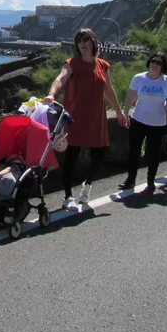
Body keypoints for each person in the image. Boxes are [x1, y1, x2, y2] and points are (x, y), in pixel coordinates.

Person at [44, 28, 124, 208]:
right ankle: (67, 197)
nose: (83, 43)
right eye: (79, 40)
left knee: (99, 156)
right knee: (71, 158)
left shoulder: (102, 65)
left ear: (93, 42)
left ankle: (87, 185)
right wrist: (51, 94)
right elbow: (60, 79)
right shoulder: (72, 64)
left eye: (86, 39)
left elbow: (109, 91)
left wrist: (119, 112)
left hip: (96, 118)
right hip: (74, 119)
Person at [118, 52, 167, 195]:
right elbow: (130, 97)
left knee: (154, 153)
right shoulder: (139, 78)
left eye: (159, 63)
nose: (155, 64)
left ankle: (150, 181)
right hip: (139, 120)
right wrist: (125, 113)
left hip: (158, 123)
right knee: (134, 151)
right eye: (153, 61)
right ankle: (130, 179)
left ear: (163, 66)